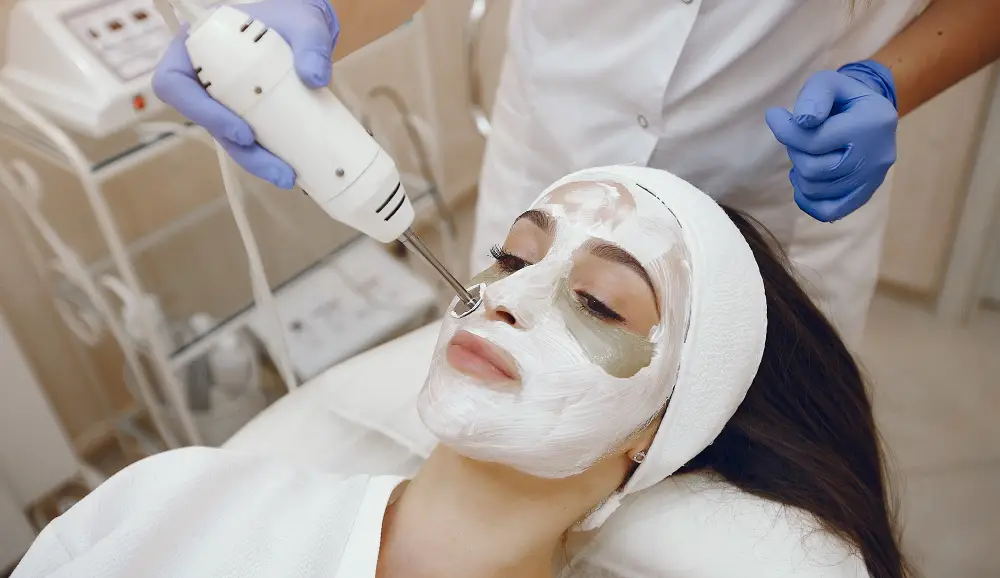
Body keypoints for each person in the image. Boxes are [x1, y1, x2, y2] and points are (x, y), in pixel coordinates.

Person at [0, 166, 923, 578]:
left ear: (661, 432)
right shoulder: (177, 496)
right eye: (512, 256)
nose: (507, 299)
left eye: (599, 303)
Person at [152, 0, 1000, 346]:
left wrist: (888, 78)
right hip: (551, 156)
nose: (509, 294)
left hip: (777, 204)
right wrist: (315, 11)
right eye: (514, 268)